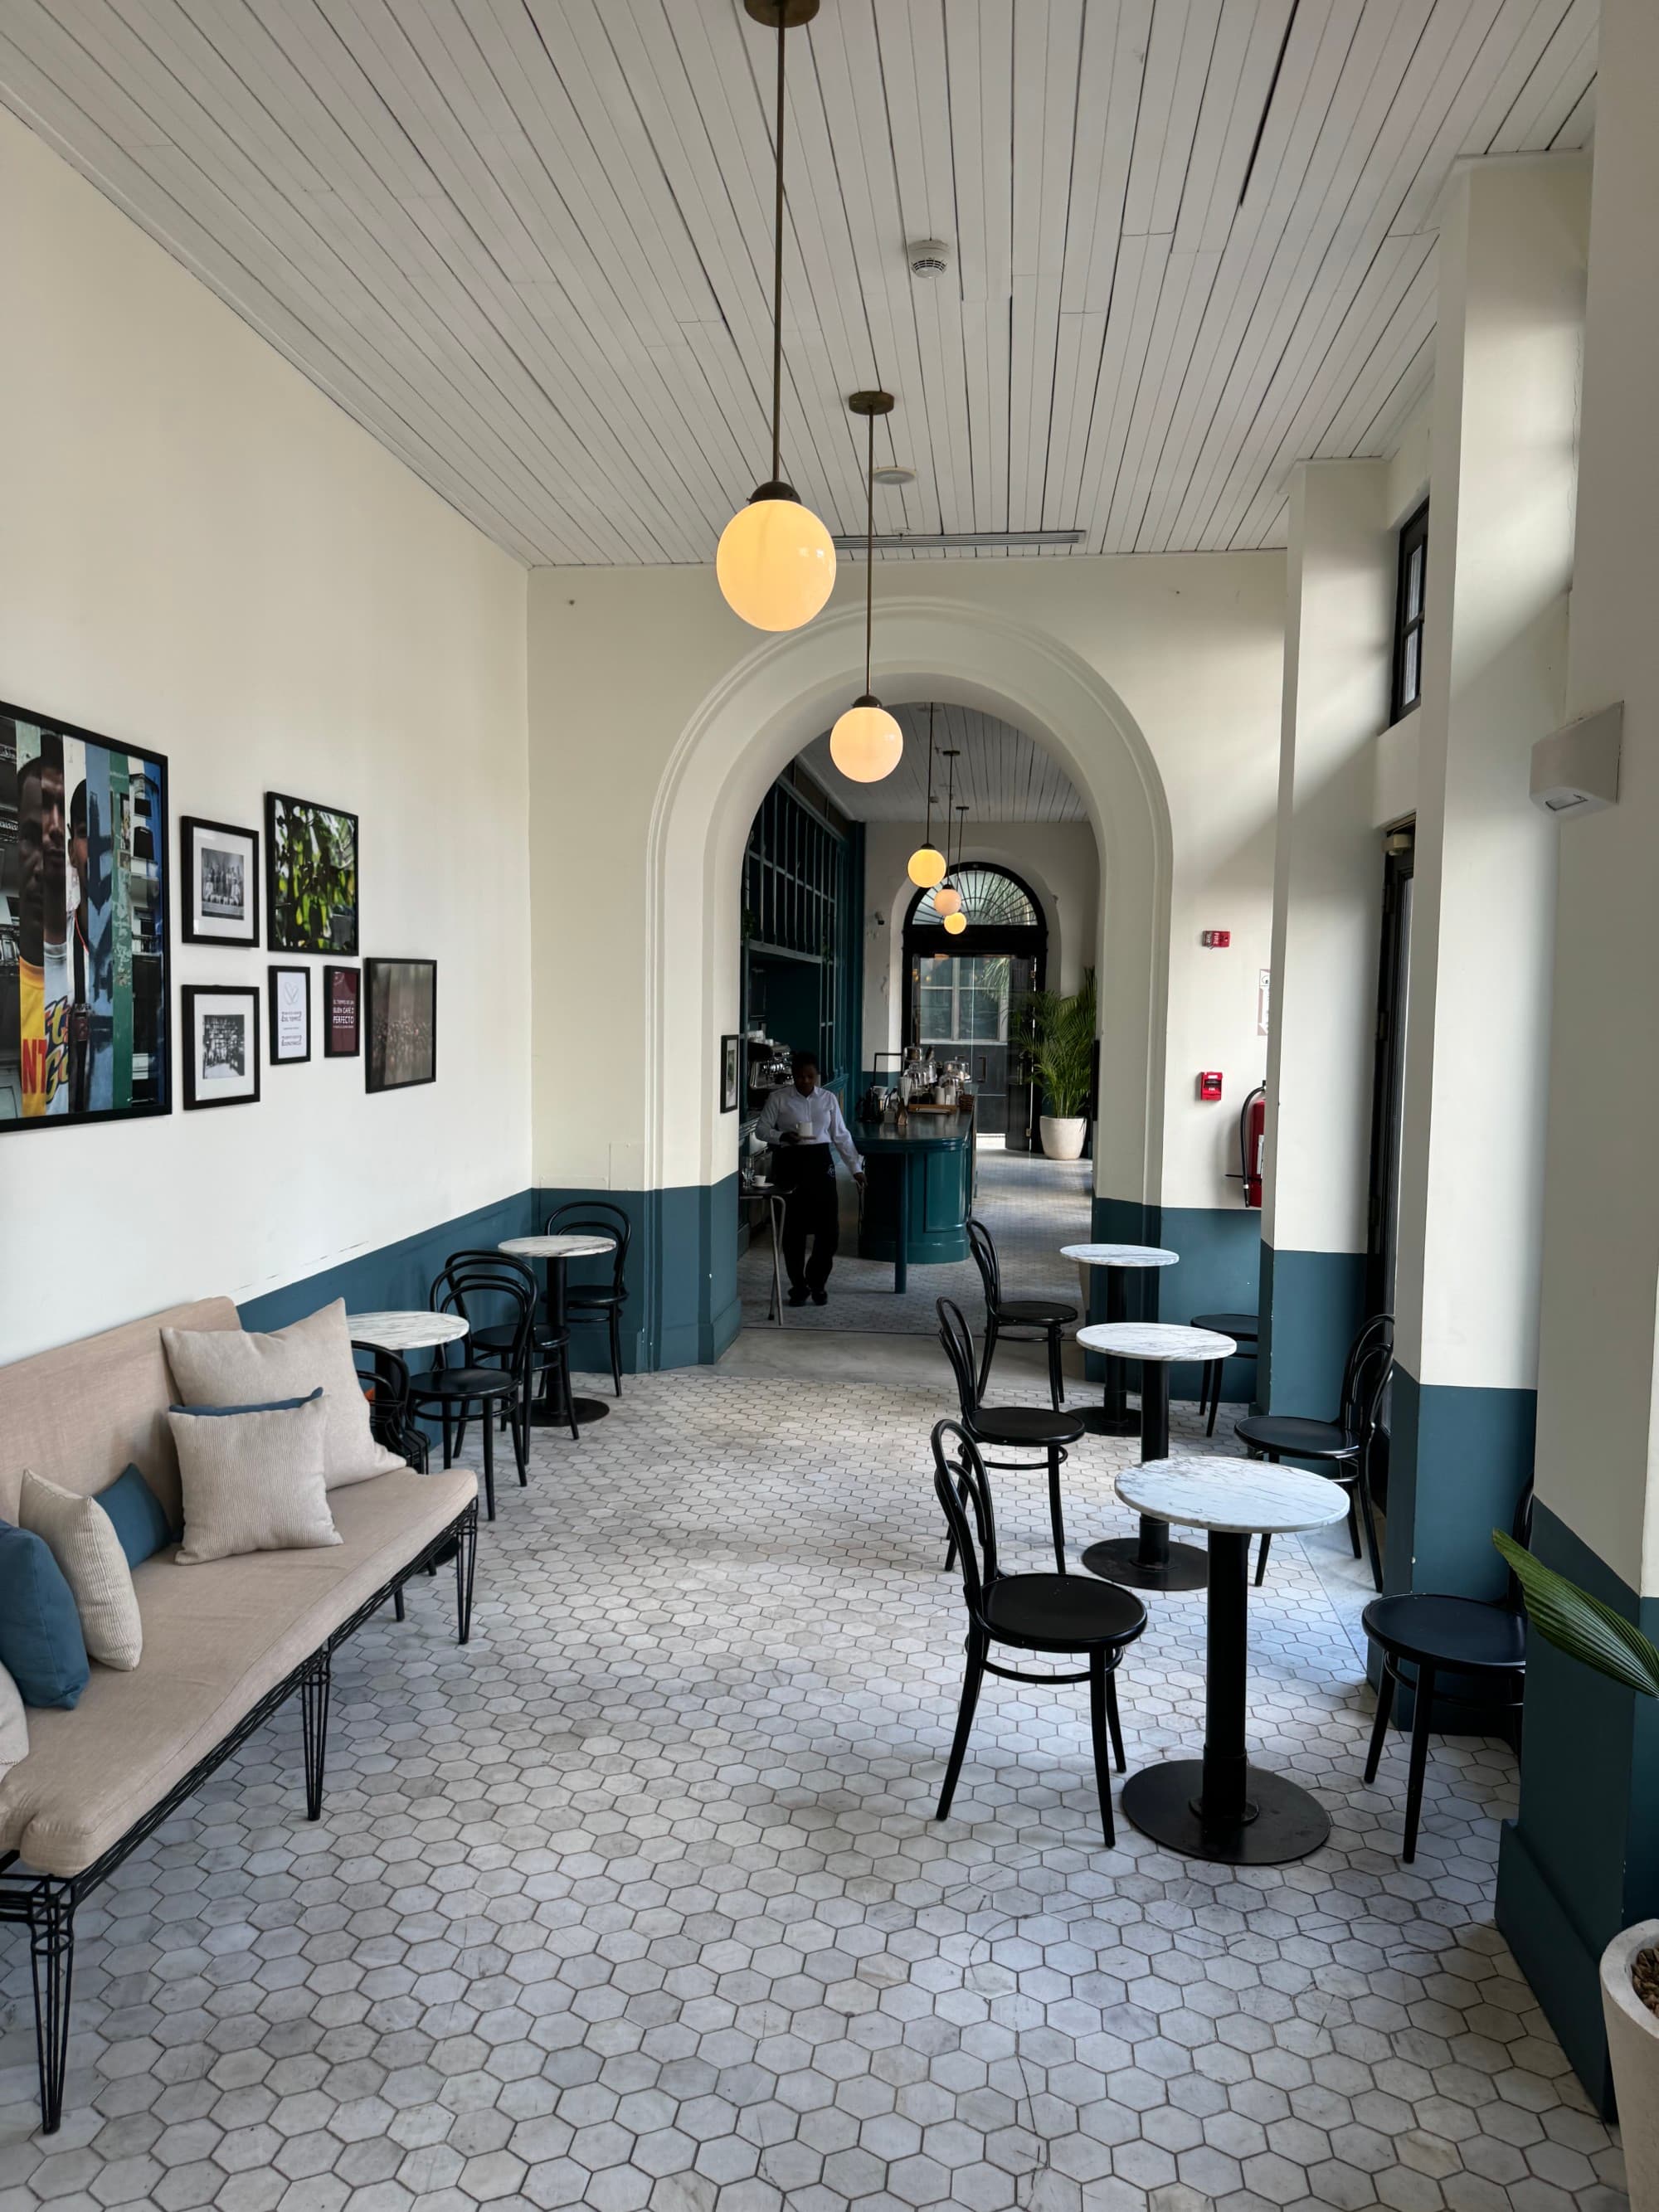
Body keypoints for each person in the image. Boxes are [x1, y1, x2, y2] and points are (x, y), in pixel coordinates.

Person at [755, 1052, 864, 1305]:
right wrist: (782, 1136)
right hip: (790, 1163)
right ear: (792, 1076)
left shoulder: (828, 1099)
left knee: (829, 1231)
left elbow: (841, 1135)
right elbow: (762, 1130)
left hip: (820, 1162)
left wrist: (856, 1168)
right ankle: (798, 1286)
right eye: (800, 1076)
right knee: (792, 1231)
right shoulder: (779, 1098)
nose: (805, 1081)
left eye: (810, 1076)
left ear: (817, 1076)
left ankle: (817, 1281)